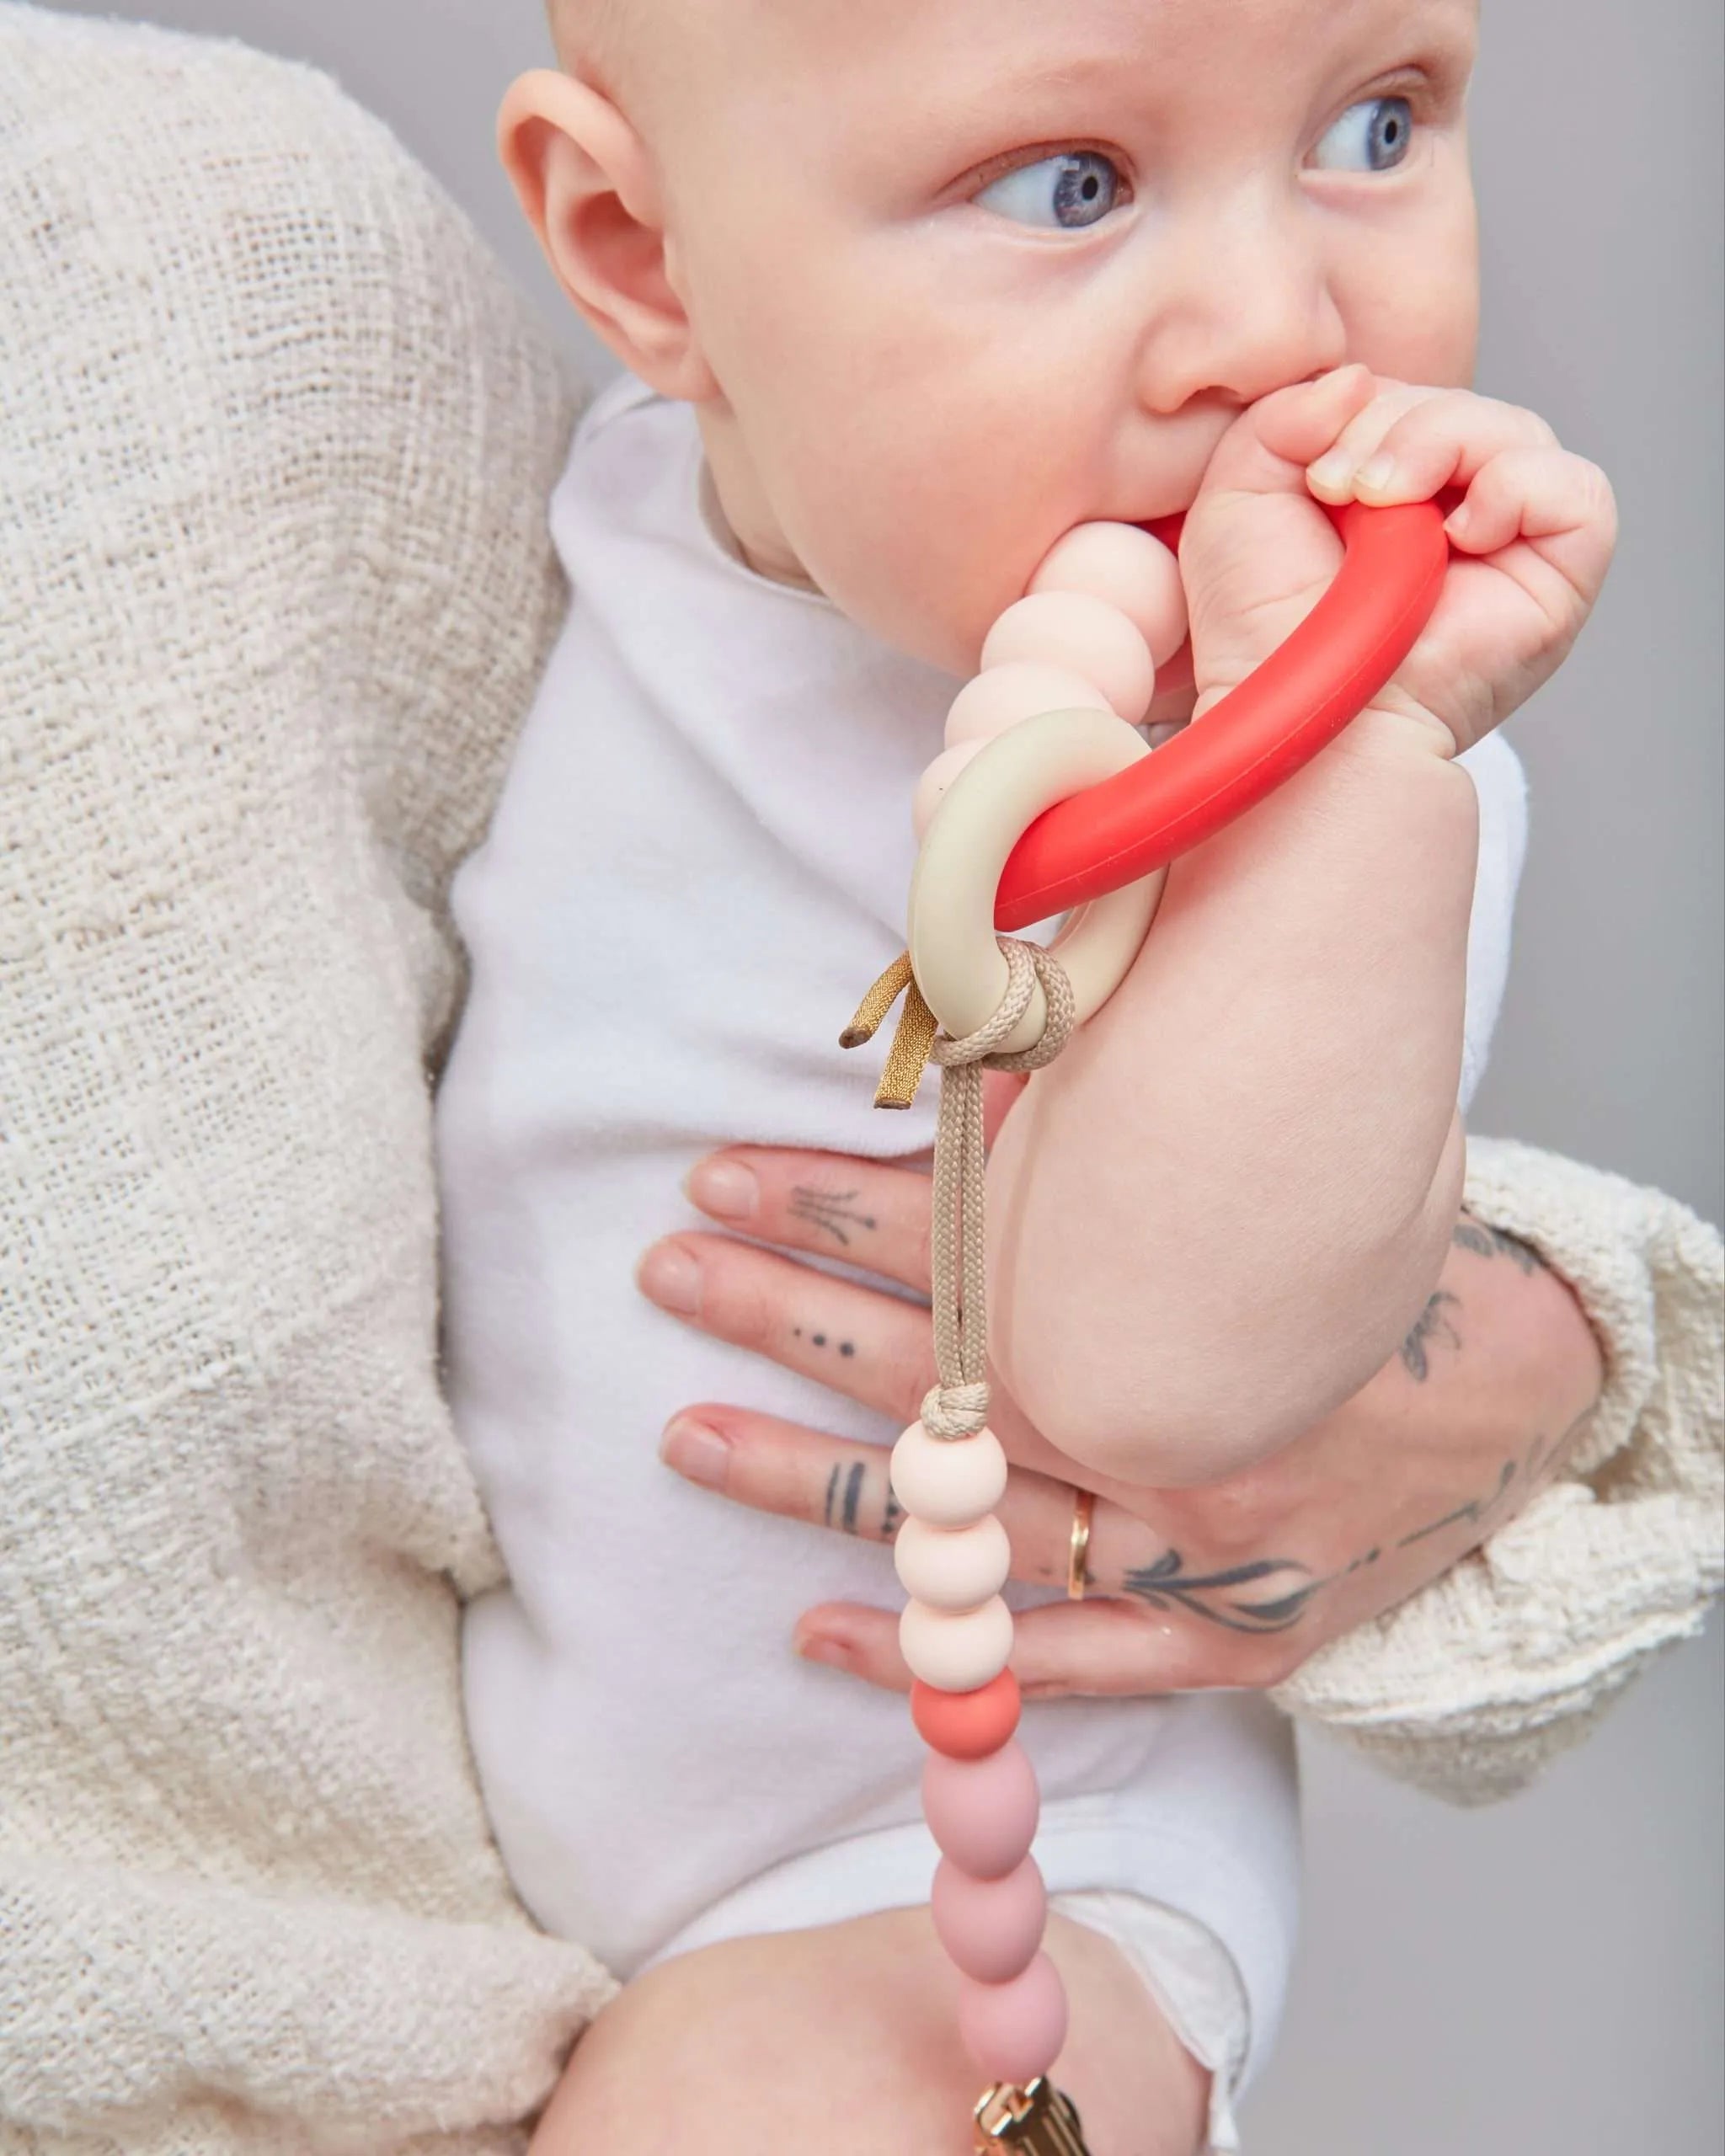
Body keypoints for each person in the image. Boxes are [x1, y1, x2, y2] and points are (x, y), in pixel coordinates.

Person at [430, 1, 1624, 2149]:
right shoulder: (572, 509)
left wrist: (1347, 760)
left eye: (1376, 125)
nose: (1275, 327)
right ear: (642, 257)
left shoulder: (1338, 799)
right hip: (498, 1786)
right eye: (1071, 184)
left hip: (978, 1868)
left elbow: (1159, 1372)